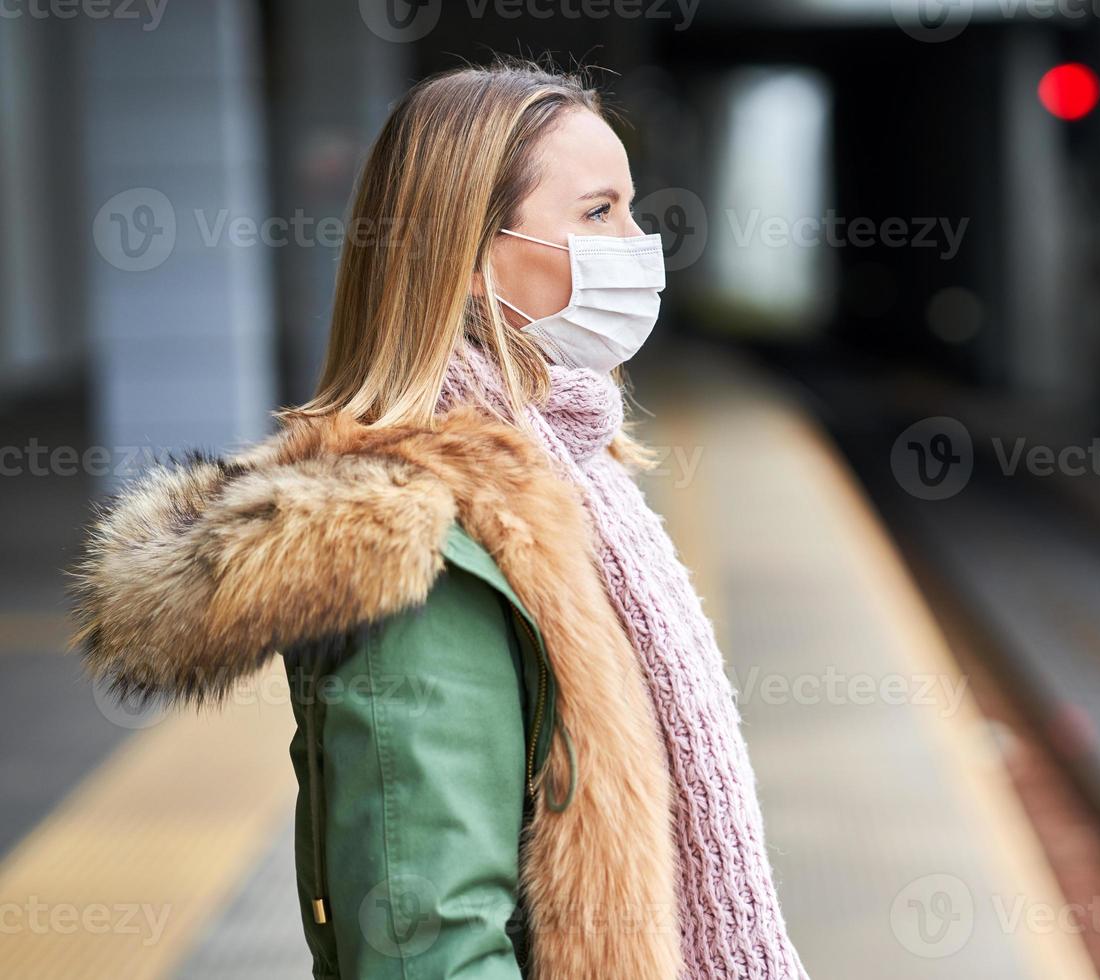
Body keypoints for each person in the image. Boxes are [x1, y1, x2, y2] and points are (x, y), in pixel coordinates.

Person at [70, 62, 808, 980]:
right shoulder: (416, 544)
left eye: (630, 208)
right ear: (465, 257)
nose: (638, 242)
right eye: (596, 213)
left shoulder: (579, 475)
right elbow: (429, 948)